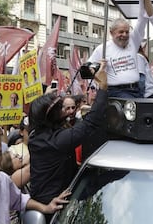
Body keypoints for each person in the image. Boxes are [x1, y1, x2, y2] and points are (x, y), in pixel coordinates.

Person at [28, 60, 108, 222]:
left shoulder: (39, 135)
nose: (64, 108)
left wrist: (48, 98)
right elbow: (91, 123)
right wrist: (104, 88)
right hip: (53, 210)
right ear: (51, 117)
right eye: (60, 108)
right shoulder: (56, 141)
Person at [87, 0, 148, 98]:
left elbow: (142, 19)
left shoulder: (133, 41)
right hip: (116, 92)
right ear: (111, 32)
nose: (124, 35)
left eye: (126, 32)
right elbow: (87, 68)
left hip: (137, 90)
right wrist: (96, 70)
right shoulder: (103, 49)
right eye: (120, 32)